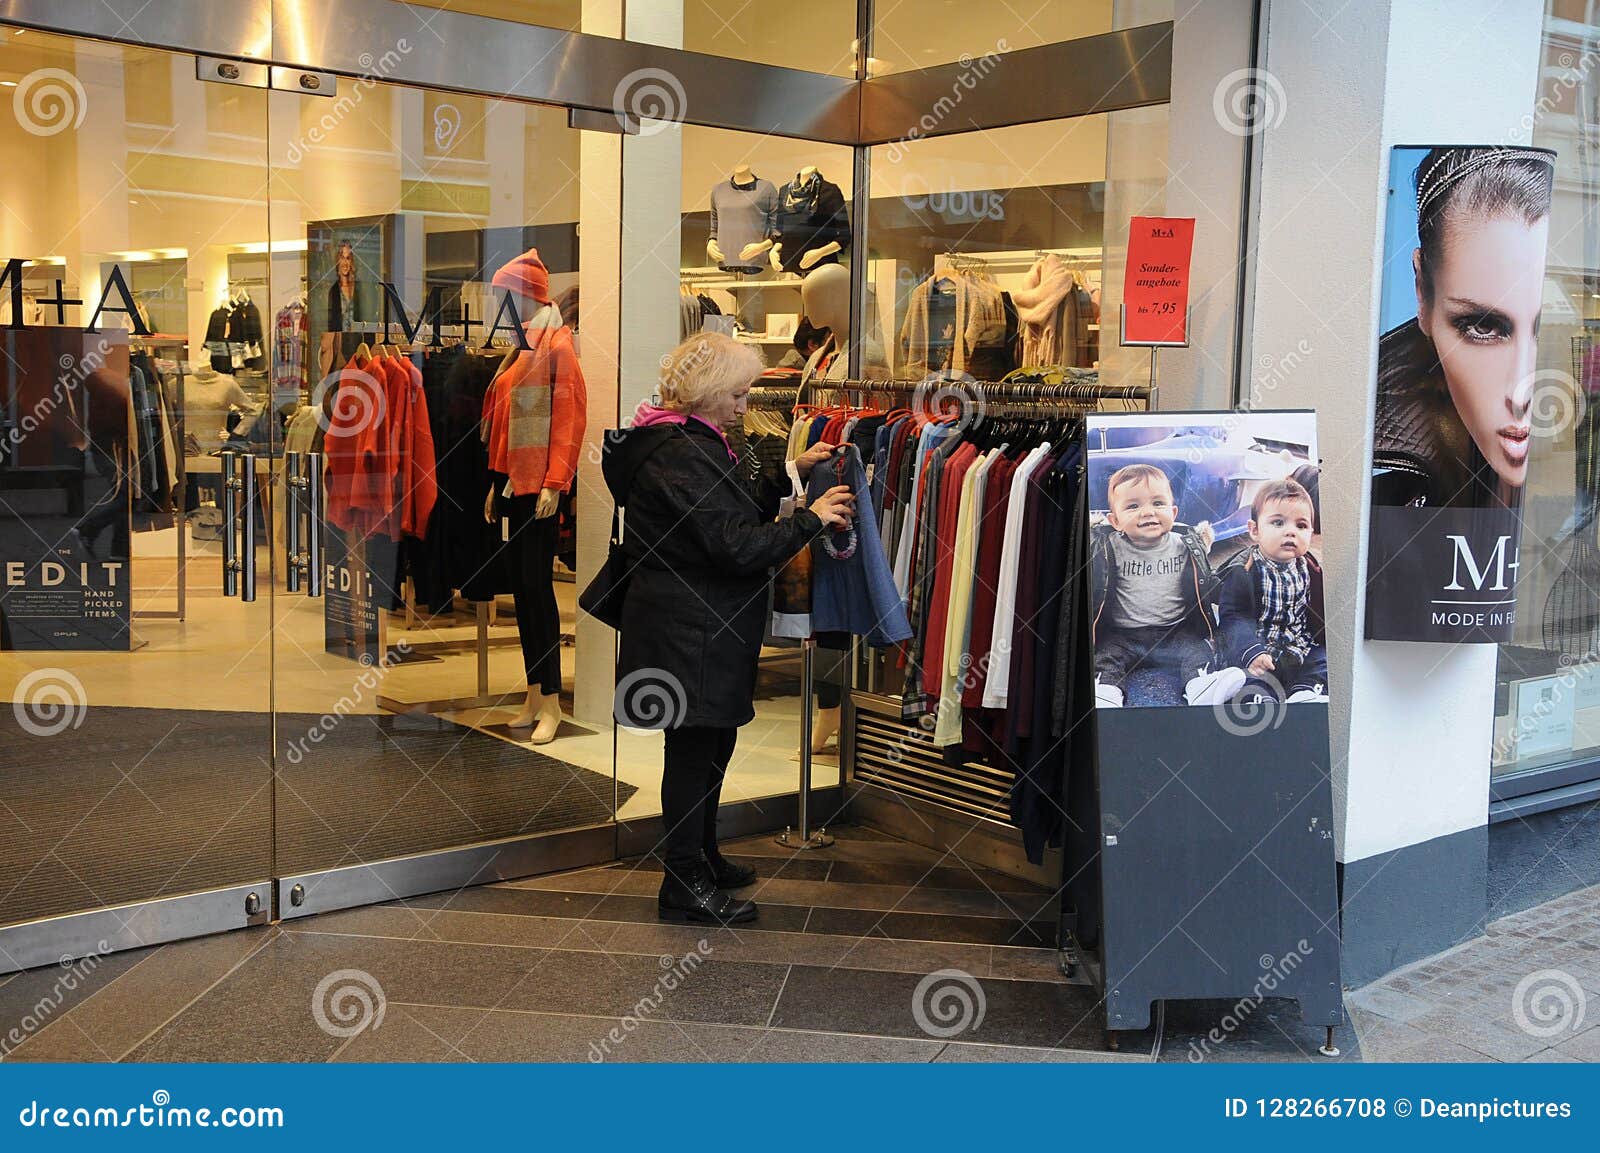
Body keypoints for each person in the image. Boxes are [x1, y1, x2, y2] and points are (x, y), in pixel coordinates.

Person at [602, 332, 854, 925]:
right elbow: (733, 544)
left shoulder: (683, 440)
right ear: (707, 392)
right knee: (694, 749)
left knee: (710, 742)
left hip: (696, 623)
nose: (745, 406)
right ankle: (683, 881)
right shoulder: (679, 451)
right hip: (691, 628)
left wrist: (791, 470)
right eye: (738, 395)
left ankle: (702, 856)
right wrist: (810, 521)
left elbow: (723, 508)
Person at [1372, 145, 1555, 508]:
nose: (1521, 397)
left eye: (1542, 328)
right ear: (1422, 291)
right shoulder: (1385, 502)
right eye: (1483, 328)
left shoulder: (1567, 511)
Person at [1089, 463, 1237, 708]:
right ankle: (1106, 691)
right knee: (1105, 656)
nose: (1148, 512)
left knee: (1196, 650)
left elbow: (1205, 582)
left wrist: (1231, 585)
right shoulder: (1108, 546)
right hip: (1123, 634)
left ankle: (1201, 685)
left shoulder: (1184, 545)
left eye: (1158, 503)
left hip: (1173, 630)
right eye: (1133, 506)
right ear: (1114, 521)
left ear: (1174, 512)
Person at [1216, 478, 1328, 704]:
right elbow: (1233, 617)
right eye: (1278, 523)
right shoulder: (1244, 570)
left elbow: (1317, 610)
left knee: (1324, 661)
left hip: (1297, 647)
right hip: (1259, 648)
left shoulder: (1309, 567)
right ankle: (1258, 697)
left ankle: (1303, 692)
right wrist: (1250, 651)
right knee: (1247, 678)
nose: (1291, 532)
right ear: (1255, 530)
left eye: (1301, 525)